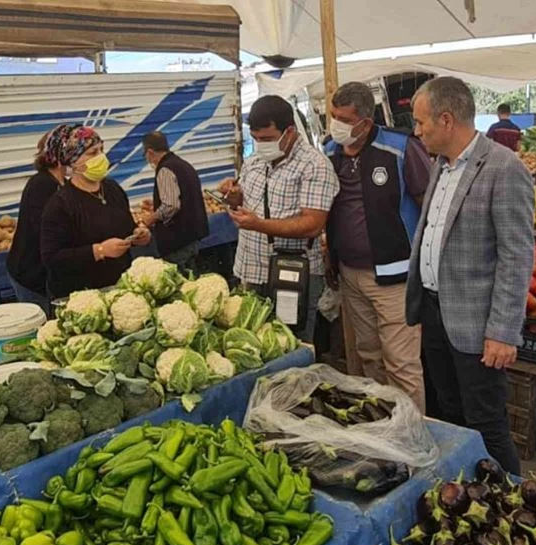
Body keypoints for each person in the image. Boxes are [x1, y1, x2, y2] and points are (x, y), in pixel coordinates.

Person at [406, 77, 535, 474]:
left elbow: (516, 256)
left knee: (485, 423)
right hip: (434, 311)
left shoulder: (503, 168)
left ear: (446, 119)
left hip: (477, 325)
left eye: (420, 122)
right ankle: (463, 491)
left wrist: (502, 331)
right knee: (447, 414)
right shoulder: (440, 166)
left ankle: (514, 505)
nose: (417, 131)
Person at [323, 81, 430, 411]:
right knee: (369, 357)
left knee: (401, 364)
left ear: (365, 123)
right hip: (350, 275)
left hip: (395, 277)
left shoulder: (400, 148)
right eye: (332, 116)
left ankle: (413, 435)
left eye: (342, 118)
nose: (335, 125)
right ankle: (384, 424)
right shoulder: (330, 151)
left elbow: (429, 203)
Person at [219, 95, 339, 343]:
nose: (261, 144)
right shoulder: (253, 161)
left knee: (292, 343)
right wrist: (234, 198)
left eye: (267, 139)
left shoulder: (315, 165)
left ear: (290, 132)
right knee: (252, 344)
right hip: (251, 271)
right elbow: (247, 201)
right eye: (256, 139)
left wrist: (258, 224)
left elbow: (313, 224)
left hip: (292, 273)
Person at [40, 126, 151, 298]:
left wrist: (138, 235)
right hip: (82, 295)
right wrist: (99, 250)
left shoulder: (113, 189)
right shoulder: (60, 204)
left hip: (120, 287)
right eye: (92, 153)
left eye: (101, 150)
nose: (101, 157)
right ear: (74, 161)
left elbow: (127, 227)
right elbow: (52, 258)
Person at [6, 125, 71, 314]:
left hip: (48, 274)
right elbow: (45, 231)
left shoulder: (63, 184)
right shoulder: (41, 185)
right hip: (31, 274)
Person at [137, 131, 208, 273]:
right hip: (192, 236)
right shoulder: (183, 164)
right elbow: (183, 195)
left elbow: (171, 205)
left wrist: (151, 218)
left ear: (150, 152)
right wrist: (156, 202)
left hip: (178, 241)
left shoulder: (165, 169)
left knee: (180, 284)